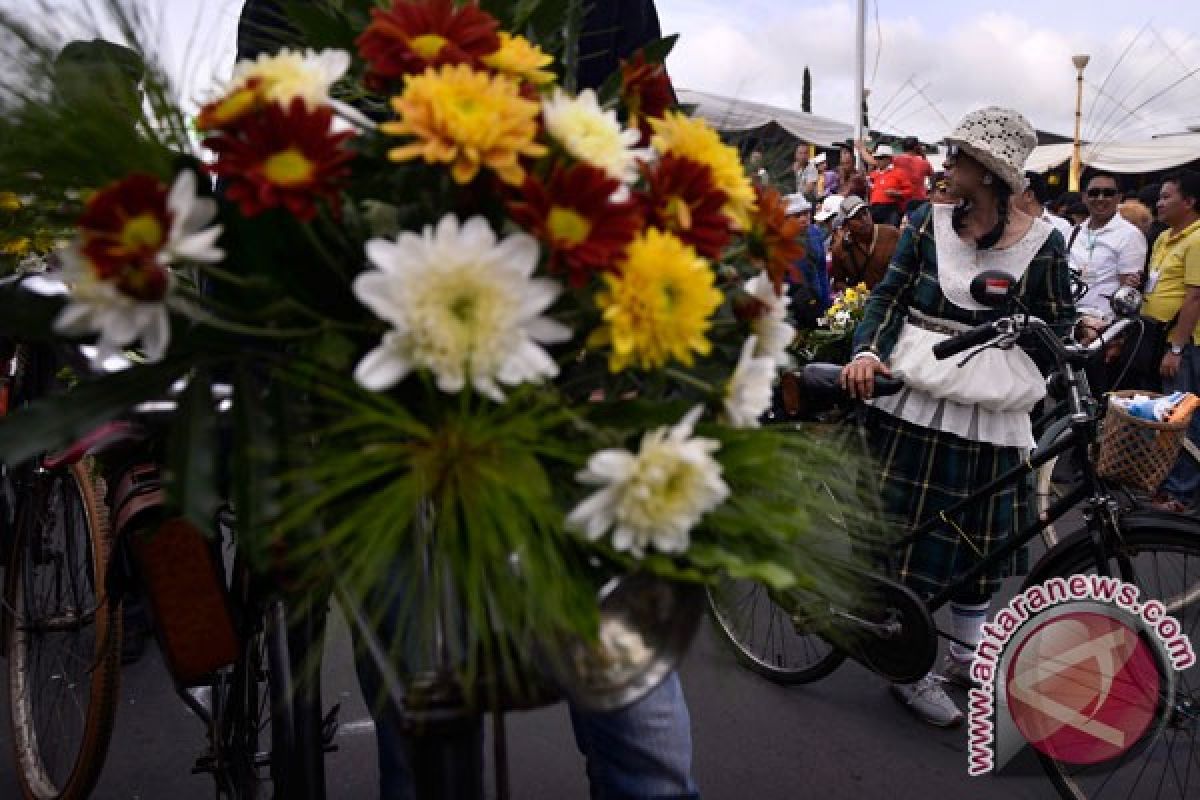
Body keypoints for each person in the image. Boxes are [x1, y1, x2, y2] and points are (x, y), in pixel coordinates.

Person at [234, 2, 701, 799]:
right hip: (376, 406)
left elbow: (651, 150)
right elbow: (253, 185)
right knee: (423, 724)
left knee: (641, 736)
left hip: (567, 395)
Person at [840, 107, 1073, 727]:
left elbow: (1056, 321)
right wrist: (865, 349)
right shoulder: (926, 219)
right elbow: (888, 294)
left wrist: (1048, 359)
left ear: (991, 174)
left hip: (990, 406)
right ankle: (908, 667)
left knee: (978, 539)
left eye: (963, 157)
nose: (949, 165)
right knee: (906, 534)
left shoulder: (1044, 243)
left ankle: (967, 655)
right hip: (916, 389)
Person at [1142, 171, 1200, 512]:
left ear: (1190, 202)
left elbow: (1195, 297)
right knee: (1167, 415)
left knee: (1185, 417)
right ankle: (1166, 484)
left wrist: (1177, 348)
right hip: (1160, 337)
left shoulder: (1197, 239)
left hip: (1186, 342)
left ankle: (1181, 496)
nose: (1159, 203)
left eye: (1167, 197)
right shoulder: (1164, 237)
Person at [1069, 172, 1146, 330]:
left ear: (1119, 198)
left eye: (1108, 193)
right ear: (1084, 197)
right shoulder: (1074, 232)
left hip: (1103, 325)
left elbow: (1128, 293)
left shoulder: (1129, 235)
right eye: (1094, 193)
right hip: (1070, 318)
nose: (1101, 198)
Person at [829, 195, 899, 292]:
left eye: (865, 213)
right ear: (846, 225)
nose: (864, 219)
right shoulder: (839, 249)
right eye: (857, 217)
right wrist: (854, 295)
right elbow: (839, 282)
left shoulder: (892, 234)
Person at [784, 193, 831, 325]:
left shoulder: (815, 233)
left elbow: (822, 269)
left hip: (817, 299)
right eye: (798, 215)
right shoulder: (779, 242)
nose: (804, 218)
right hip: (792, 306)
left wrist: (826, 302)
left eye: (806, 213)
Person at [858, 143, 911, 227]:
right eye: (876, 158)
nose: (878, 160)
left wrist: (897, 193)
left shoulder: (899, 173)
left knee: (890, 234)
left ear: (889, 159)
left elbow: (909, 191)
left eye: (880, 158)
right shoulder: (874, 174)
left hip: (891, 209)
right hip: (874, 209)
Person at [1016, 170, 1071, 240]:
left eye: (1012, 193)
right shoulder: (1006, 225)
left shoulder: (1061, 225)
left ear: (1028, 195)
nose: (1007, 198)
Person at [892, 136, 933, 212]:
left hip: (900, 200)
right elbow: (933, 177)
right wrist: (923, 155)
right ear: (917, 148)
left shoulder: (896, 160)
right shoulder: (924, 163)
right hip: (919, 200)